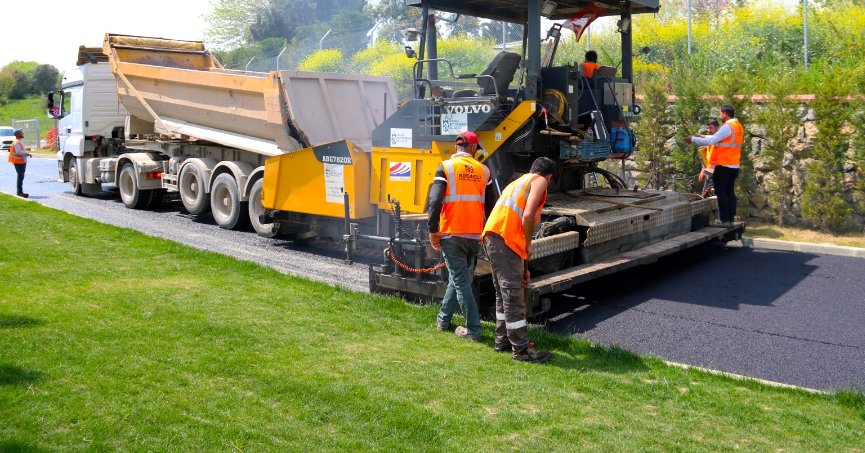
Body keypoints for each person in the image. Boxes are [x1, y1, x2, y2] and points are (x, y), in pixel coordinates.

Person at [482, 157, 556, 363]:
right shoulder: (539, 181)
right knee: (513, 296)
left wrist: (524, 265)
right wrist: (528, 243)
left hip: (493, 237)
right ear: (548, 177)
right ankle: (521, 350)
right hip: (505, 240)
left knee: (503, 294)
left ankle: (503, 341)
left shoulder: (518, 182)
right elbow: (527, 216)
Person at [428, 131, 493, 342]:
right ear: (473, 149)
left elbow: (435, 201)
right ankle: (443, 320)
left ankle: (473, 330)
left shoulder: (445, 167)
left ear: (457, 147)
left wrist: (432, 230)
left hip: (452, 233)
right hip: (475, 234)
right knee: (459, 280)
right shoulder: (484, 171)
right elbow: (492, 206)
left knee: (460, 281)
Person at [685, 105, 743, 227]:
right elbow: (719, 138)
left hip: (723, 166)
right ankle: (730, 219)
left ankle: (723, 220)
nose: (719, 116)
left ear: (725, 114)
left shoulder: (728, 126)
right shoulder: (738, 126)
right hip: (733, 166)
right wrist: (704, 136)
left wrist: (693, 139)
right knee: (729, 193)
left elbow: (712, 141)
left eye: (720, 113)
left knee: (721, 193)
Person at [8, 129, 33, 198]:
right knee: (20, 177)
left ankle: (20, 192)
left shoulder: (18, 141)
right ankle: (19, 192)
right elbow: (18, 152)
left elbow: (20, 150)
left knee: (21, 177)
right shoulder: (16, 142)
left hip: (21, 162)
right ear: (17, 134)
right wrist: (27, 154)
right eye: (21, 132)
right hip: (18, 162)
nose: (22, 133)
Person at [697, 119, 719, 197]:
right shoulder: (707, 143)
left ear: (717, 128)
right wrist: (703, 169)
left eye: (711, 128)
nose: (708, 130)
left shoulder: (720, 142)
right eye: (707, 128)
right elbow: (705, 158)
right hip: (708, 176)